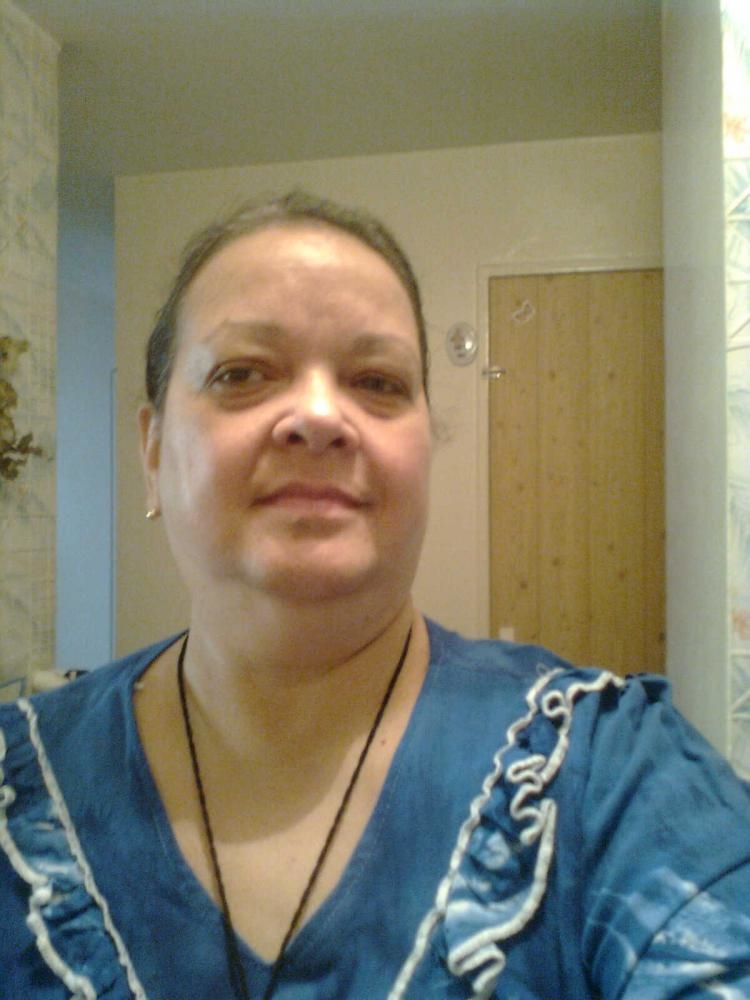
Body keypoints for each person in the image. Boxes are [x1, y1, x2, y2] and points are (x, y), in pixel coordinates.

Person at [1, 191, 750, 1000]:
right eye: (242, 373)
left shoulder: (613, 773)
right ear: (151, 452)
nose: (320, 416)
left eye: (378, 381)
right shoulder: (18, 784)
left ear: (425, 452)